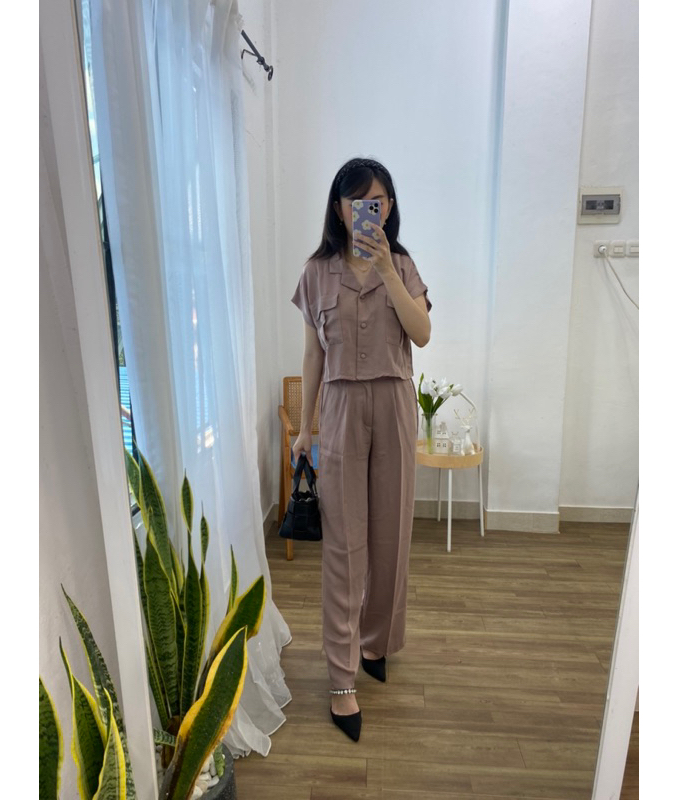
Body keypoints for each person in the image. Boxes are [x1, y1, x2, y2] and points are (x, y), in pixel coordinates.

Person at [290, 157, 432, 741]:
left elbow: (422, 333)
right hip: (343, 409)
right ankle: (341, 676)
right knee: (344, 547)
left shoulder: (403, 265)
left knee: (391, 538)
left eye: (377, 200)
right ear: (339, 208)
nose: (366, 210)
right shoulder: (316, 272)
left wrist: (390, 274)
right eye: (356, 201)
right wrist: (305, 428)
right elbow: (312, 356)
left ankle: (376, 644)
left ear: (389, 207)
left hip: (395, 403)